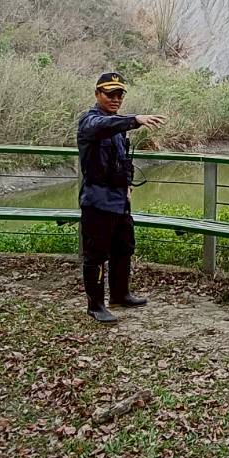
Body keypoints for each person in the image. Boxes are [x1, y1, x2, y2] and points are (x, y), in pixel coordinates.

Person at [77, 72, 166, 323]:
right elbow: (100, 127)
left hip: (119, 198)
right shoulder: (90, 121)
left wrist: (127, 186)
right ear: (97, 94)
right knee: (96, 254)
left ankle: (120, 294)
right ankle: (95, 305)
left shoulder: (117, 125)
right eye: (110, 94)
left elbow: (121, 161)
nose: (115, 99)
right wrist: (135, 120)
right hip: (97, 199)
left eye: (119, 95)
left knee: (124, 247)